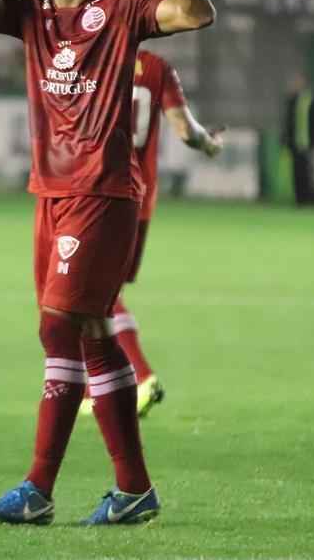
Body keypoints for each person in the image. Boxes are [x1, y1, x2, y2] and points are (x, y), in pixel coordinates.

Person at [0, 0, 216, 525]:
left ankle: (39, 487)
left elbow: (198, 13)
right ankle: (133, 489)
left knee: (64, 325)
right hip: (52, 194)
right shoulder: (28, 10)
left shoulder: (121, 7)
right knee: (86, 330)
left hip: (102, 191)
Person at [79, 49, 222, 418]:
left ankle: (140, 377)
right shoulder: (158, 68)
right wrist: (209, 143)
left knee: (87, 292)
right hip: (140, 198)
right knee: (101, 292)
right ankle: (96, 388)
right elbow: (185, 131)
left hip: (98, 192)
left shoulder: (92, 60)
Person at [281, 69, 314, 204]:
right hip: (295, 143)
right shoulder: (292, 100)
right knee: (296, 172)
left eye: (298, 81)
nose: (296, 84)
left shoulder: (311, 99)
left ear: (304, 82)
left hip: (308, 143)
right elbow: (288, 122)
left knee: (307, 172)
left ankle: (308, 198)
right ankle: (299, 199)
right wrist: (285, 139)